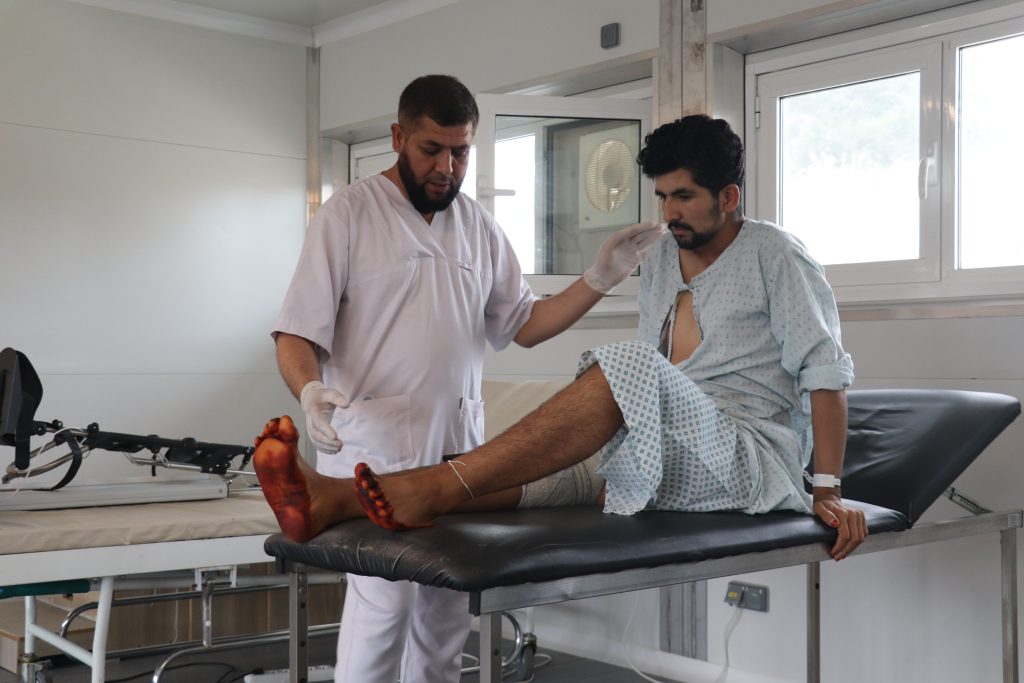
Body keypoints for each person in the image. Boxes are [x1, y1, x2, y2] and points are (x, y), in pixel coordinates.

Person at [257, 113, 868, 563]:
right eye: (661, 196)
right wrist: (602, 279)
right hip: (667, 443)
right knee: (557, 476)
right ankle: (335, 498)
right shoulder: (657, 258)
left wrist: (829, 491)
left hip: (745, 457)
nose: (670, 211)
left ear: (729, 197)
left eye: (683, 196)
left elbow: (825, 372)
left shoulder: (776, 255)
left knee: (625, 367)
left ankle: (434, 486)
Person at [269, 73, 663, 683]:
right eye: (432, 149)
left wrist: (599, 278)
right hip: (373, 445)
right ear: (398, 137)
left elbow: (525, 325)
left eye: (461, 151)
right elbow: (297, 332)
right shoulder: (349, 214)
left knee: (447, 611)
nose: (447, 167)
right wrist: (308, 390)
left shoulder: (479, 227)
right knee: (384, 608)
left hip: (458, 448)